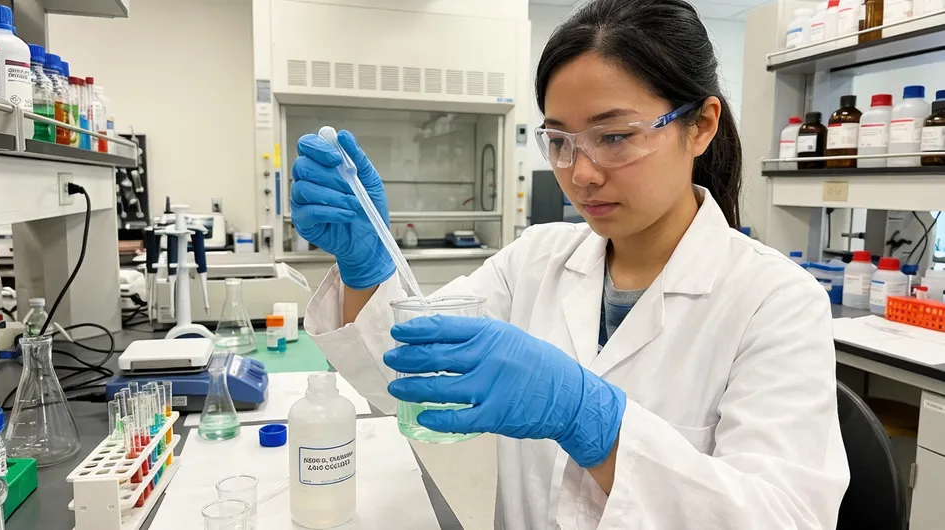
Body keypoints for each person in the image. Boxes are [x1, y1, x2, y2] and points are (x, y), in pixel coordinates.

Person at [290, 0, 850, 527]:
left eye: (613, 136)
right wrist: (368, 270)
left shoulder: (776, 300)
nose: (580, 174)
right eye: (560, 141)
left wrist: (594, 423)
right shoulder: (534, 259)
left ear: (699, 125)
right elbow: (412, 384)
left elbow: (786, 517)